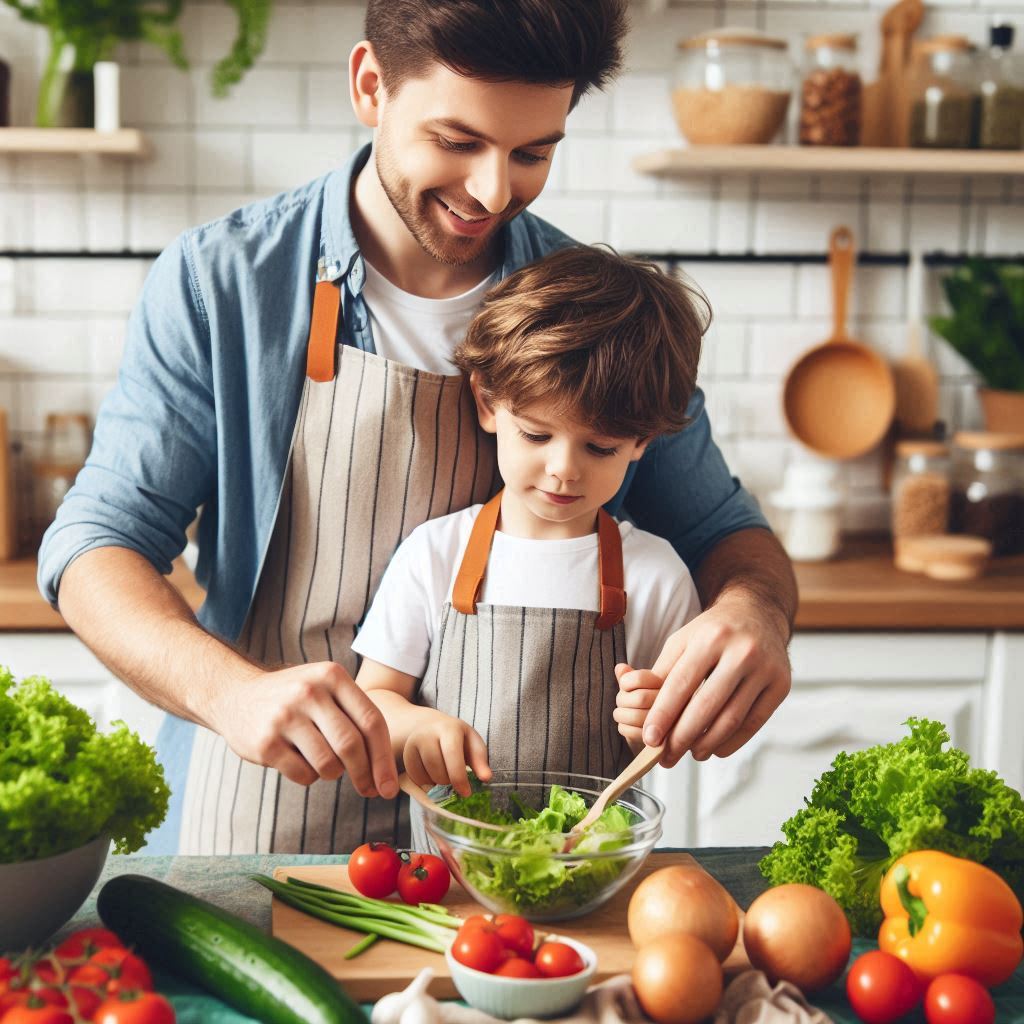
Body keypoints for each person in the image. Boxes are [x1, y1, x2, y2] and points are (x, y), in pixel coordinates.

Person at [37, 0, 797, 855]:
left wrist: (754, 615)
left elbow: (726, 534)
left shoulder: (593, 311)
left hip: (509, 841)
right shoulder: (225, 281)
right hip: (265, 814)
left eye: (533, 153)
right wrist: (230, 694)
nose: (492, 191)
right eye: (458, 142)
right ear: (371, 85)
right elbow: (97, 544)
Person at [351, 245, 704, 850]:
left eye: (600, 448)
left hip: (586, 870)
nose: (564, 470)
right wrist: (414, 724)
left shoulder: (657, 576)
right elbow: (372, 701)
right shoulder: (434, 554)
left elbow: (660, 748)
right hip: (452, 878)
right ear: (488, 403)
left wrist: (651, 723)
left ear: (642, 441)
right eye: (536, 434)